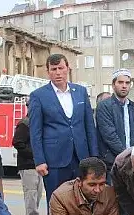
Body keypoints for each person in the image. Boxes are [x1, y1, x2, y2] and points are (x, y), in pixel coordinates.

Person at [29, 53, 98, 204]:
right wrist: (39, 160)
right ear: (48, 72)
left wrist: (94, 157)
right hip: (54, 160)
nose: (58, 73)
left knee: (83, 203)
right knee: (57, 203)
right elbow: (35, 132)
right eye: (53, 69)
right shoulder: (38, 96)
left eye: (61, 68)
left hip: (81, 158)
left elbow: (89, 127)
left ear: (68, 68)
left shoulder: (81, 92)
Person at [95, 68, 134, 184]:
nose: (124, 86)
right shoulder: (104, 106)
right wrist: (126, 155)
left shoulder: (132, 106)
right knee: (112, 193)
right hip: (112, 161)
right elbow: (110, 136)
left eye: (127, 83)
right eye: (120, 82)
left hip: (131, 161)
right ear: (113, 85)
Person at [12, 101, 46, 215]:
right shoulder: (25, 124)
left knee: (37, 193)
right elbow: (17, 142)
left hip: (36, 164)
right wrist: (34, 154)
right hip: (28, 165)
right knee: (31, 194)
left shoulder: (35, 123)